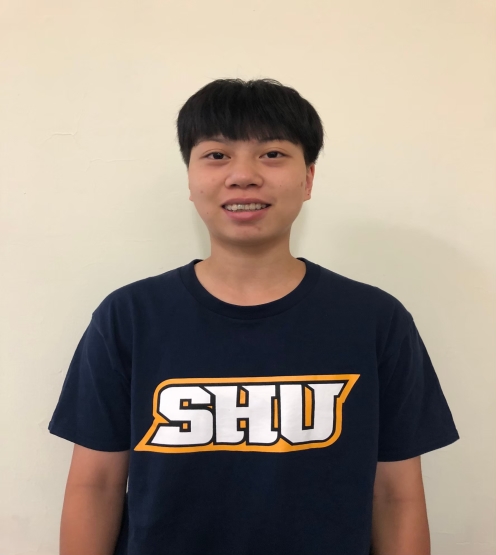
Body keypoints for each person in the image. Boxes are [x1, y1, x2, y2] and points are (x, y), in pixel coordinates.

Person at [49, 78, 459, 555]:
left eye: (272, 154)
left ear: (308, 179)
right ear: (190, 179)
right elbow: (95, 485)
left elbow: (395, 495)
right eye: (217, 155)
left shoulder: (375, 321)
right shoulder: (129, 317)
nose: (242, 175)